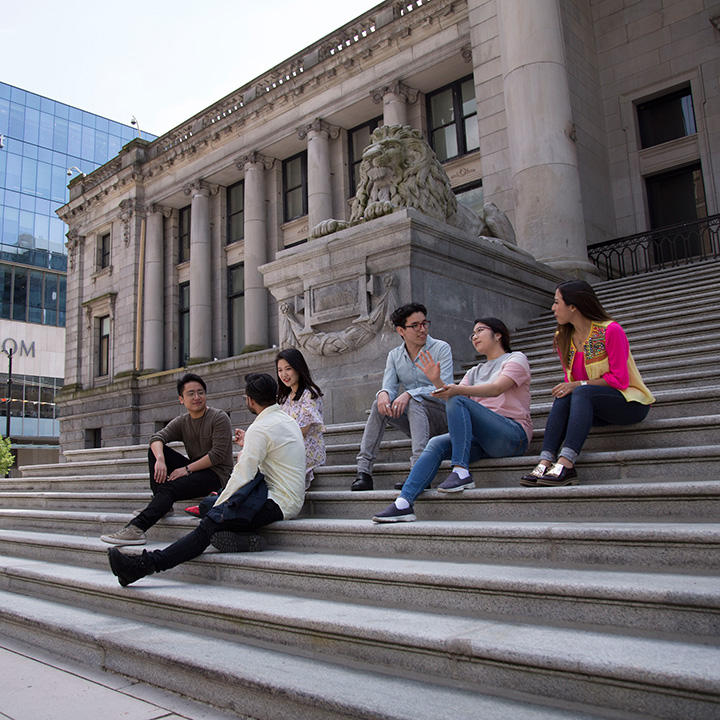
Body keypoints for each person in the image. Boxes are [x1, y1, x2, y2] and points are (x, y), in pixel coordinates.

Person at [107, 373, 306, 586]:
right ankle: (244, 538)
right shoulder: (286, 420)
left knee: (210, 521)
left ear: (250, 399)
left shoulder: (259, 428)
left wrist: (220, 508)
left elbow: (243, 475)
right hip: (281, 495)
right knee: (208, 505)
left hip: (278, 502)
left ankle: (141, 566)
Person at [372, 317, 532, 522]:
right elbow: (450, 397)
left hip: (512, 434)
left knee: (458, 399)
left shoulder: (515, 359)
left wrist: (456, 390)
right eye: (472, 334)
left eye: (480, 331)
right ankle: (403, 503)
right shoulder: (474, 371)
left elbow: (496, 388)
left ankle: (461, 470)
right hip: (483, 441)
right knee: (436, 443)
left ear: (498, 334)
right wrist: (436, 380)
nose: (474, 337)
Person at [520, 280, 654, 487]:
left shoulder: (610, 330)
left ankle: (566, 463)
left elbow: (620, 379)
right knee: (565, 395)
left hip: (629, 403)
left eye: (557, 302)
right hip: (592, 407)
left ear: (573, 306)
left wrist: (577, 385)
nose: (553, 308)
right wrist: (573, 386)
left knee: (580, 391)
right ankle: (544, 462)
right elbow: (570, 381)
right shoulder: (563, 337)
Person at [100, 373, 233, 546]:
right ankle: (163, 505)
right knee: (154, 451)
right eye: (191, 393)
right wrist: (161, 460)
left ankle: (136, 529)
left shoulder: (219, 417)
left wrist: (186, 470)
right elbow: (156, 438)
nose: (197, 397)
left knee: (170, 488)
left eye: (200, 392)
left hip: (217, 475)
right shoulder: (183, 421)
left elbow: (217, 455)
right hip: (196, 470)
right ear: (181, 399)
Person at [351, 302, 453, 491]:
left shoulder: (441, 348)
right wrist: (383, 394)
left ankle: (420, 472)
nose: (422, 329)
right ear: (401, 330)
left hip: (443, 417)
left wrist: (409, 394)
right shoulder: (394, 355)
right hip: (417, 421)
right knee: (378, 404)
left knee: (414, 401)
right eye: (415, 325)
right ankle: (364, 472)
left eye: (424, 323)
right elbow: (389, 387)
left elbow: (444, 388)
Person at [276, 348, 325, 489]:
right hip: (290, 447)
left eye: (288, 369)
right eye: (280, 370)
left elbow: (302, 431)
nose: (284, 375)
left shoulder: (309, 394)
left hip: (307, 449)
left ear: (298, 368)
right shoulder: (285, 399)